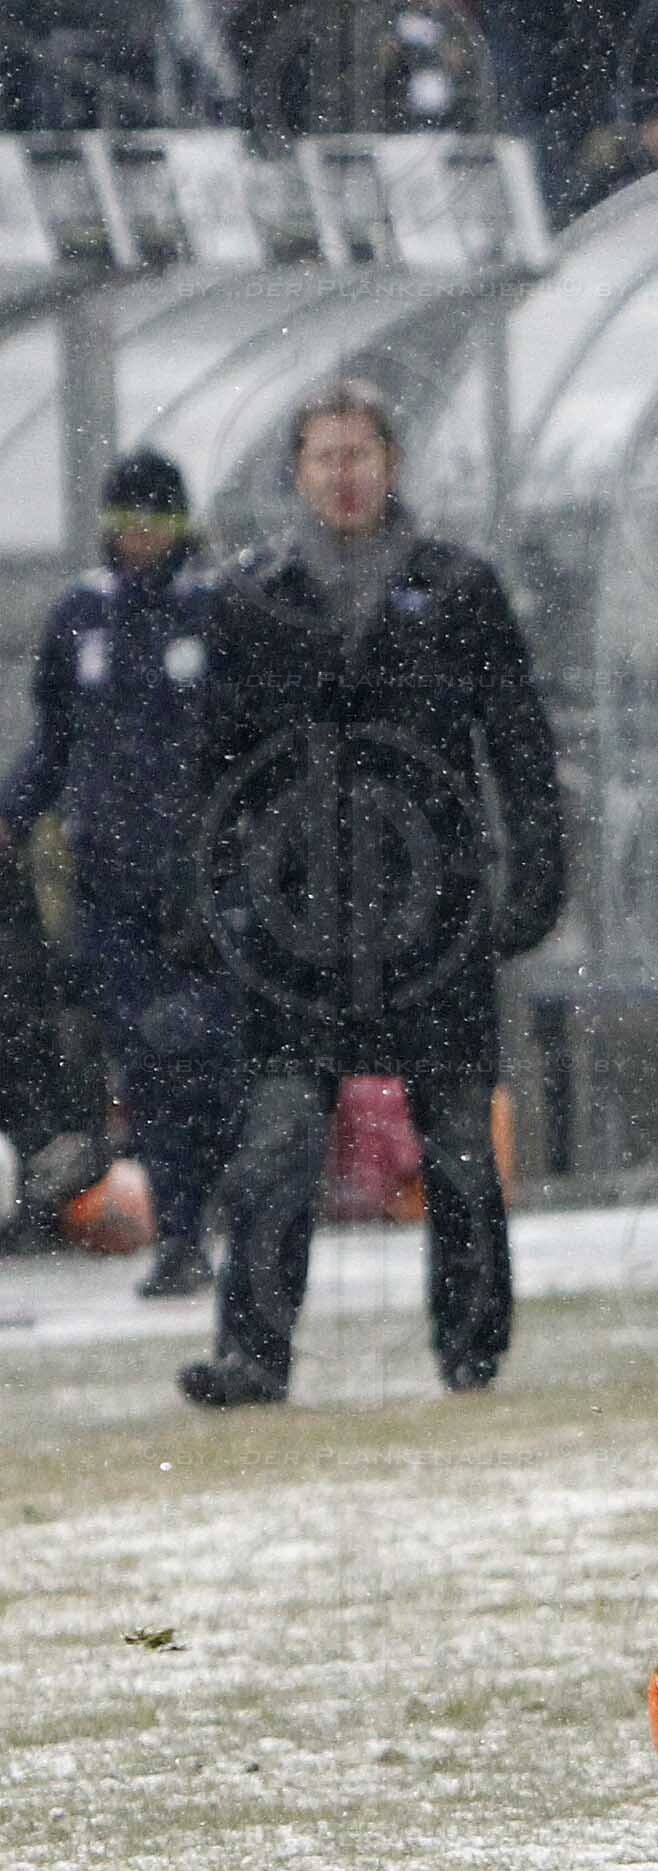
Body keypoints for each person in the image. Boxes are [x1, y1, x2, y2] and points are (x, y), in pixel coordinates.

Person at [177, 382, 564, 1407]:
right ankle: (255, 1355)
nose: (343, 475)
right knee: (275, 1143)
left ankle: (472, 1351)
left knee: (457, 1145)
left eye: (360, 454)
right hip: (293, 928)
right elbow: (211, 772)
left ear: (391, 465)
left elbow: (521, 747)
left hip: (434, 919)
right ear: (298, 474)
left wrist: (534, 875)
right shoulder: (250, 599)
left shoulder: (461, 589)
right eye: (323, 457)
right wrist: (208, 902)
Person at [0, 449, 242, 1298]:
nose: (140, 537)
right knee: (143, 1060)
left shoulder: (214, 612)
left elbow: (243, 748)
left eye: (157, 519)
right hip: (111, 891)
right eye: (126, 520)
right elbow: (54, 743)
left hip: (204, 888)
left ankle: (228, 1218)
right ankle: (180, 1236)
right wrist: (12, 812)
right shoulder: (80, 617)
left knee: (211, 1055)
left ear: (181, 525)